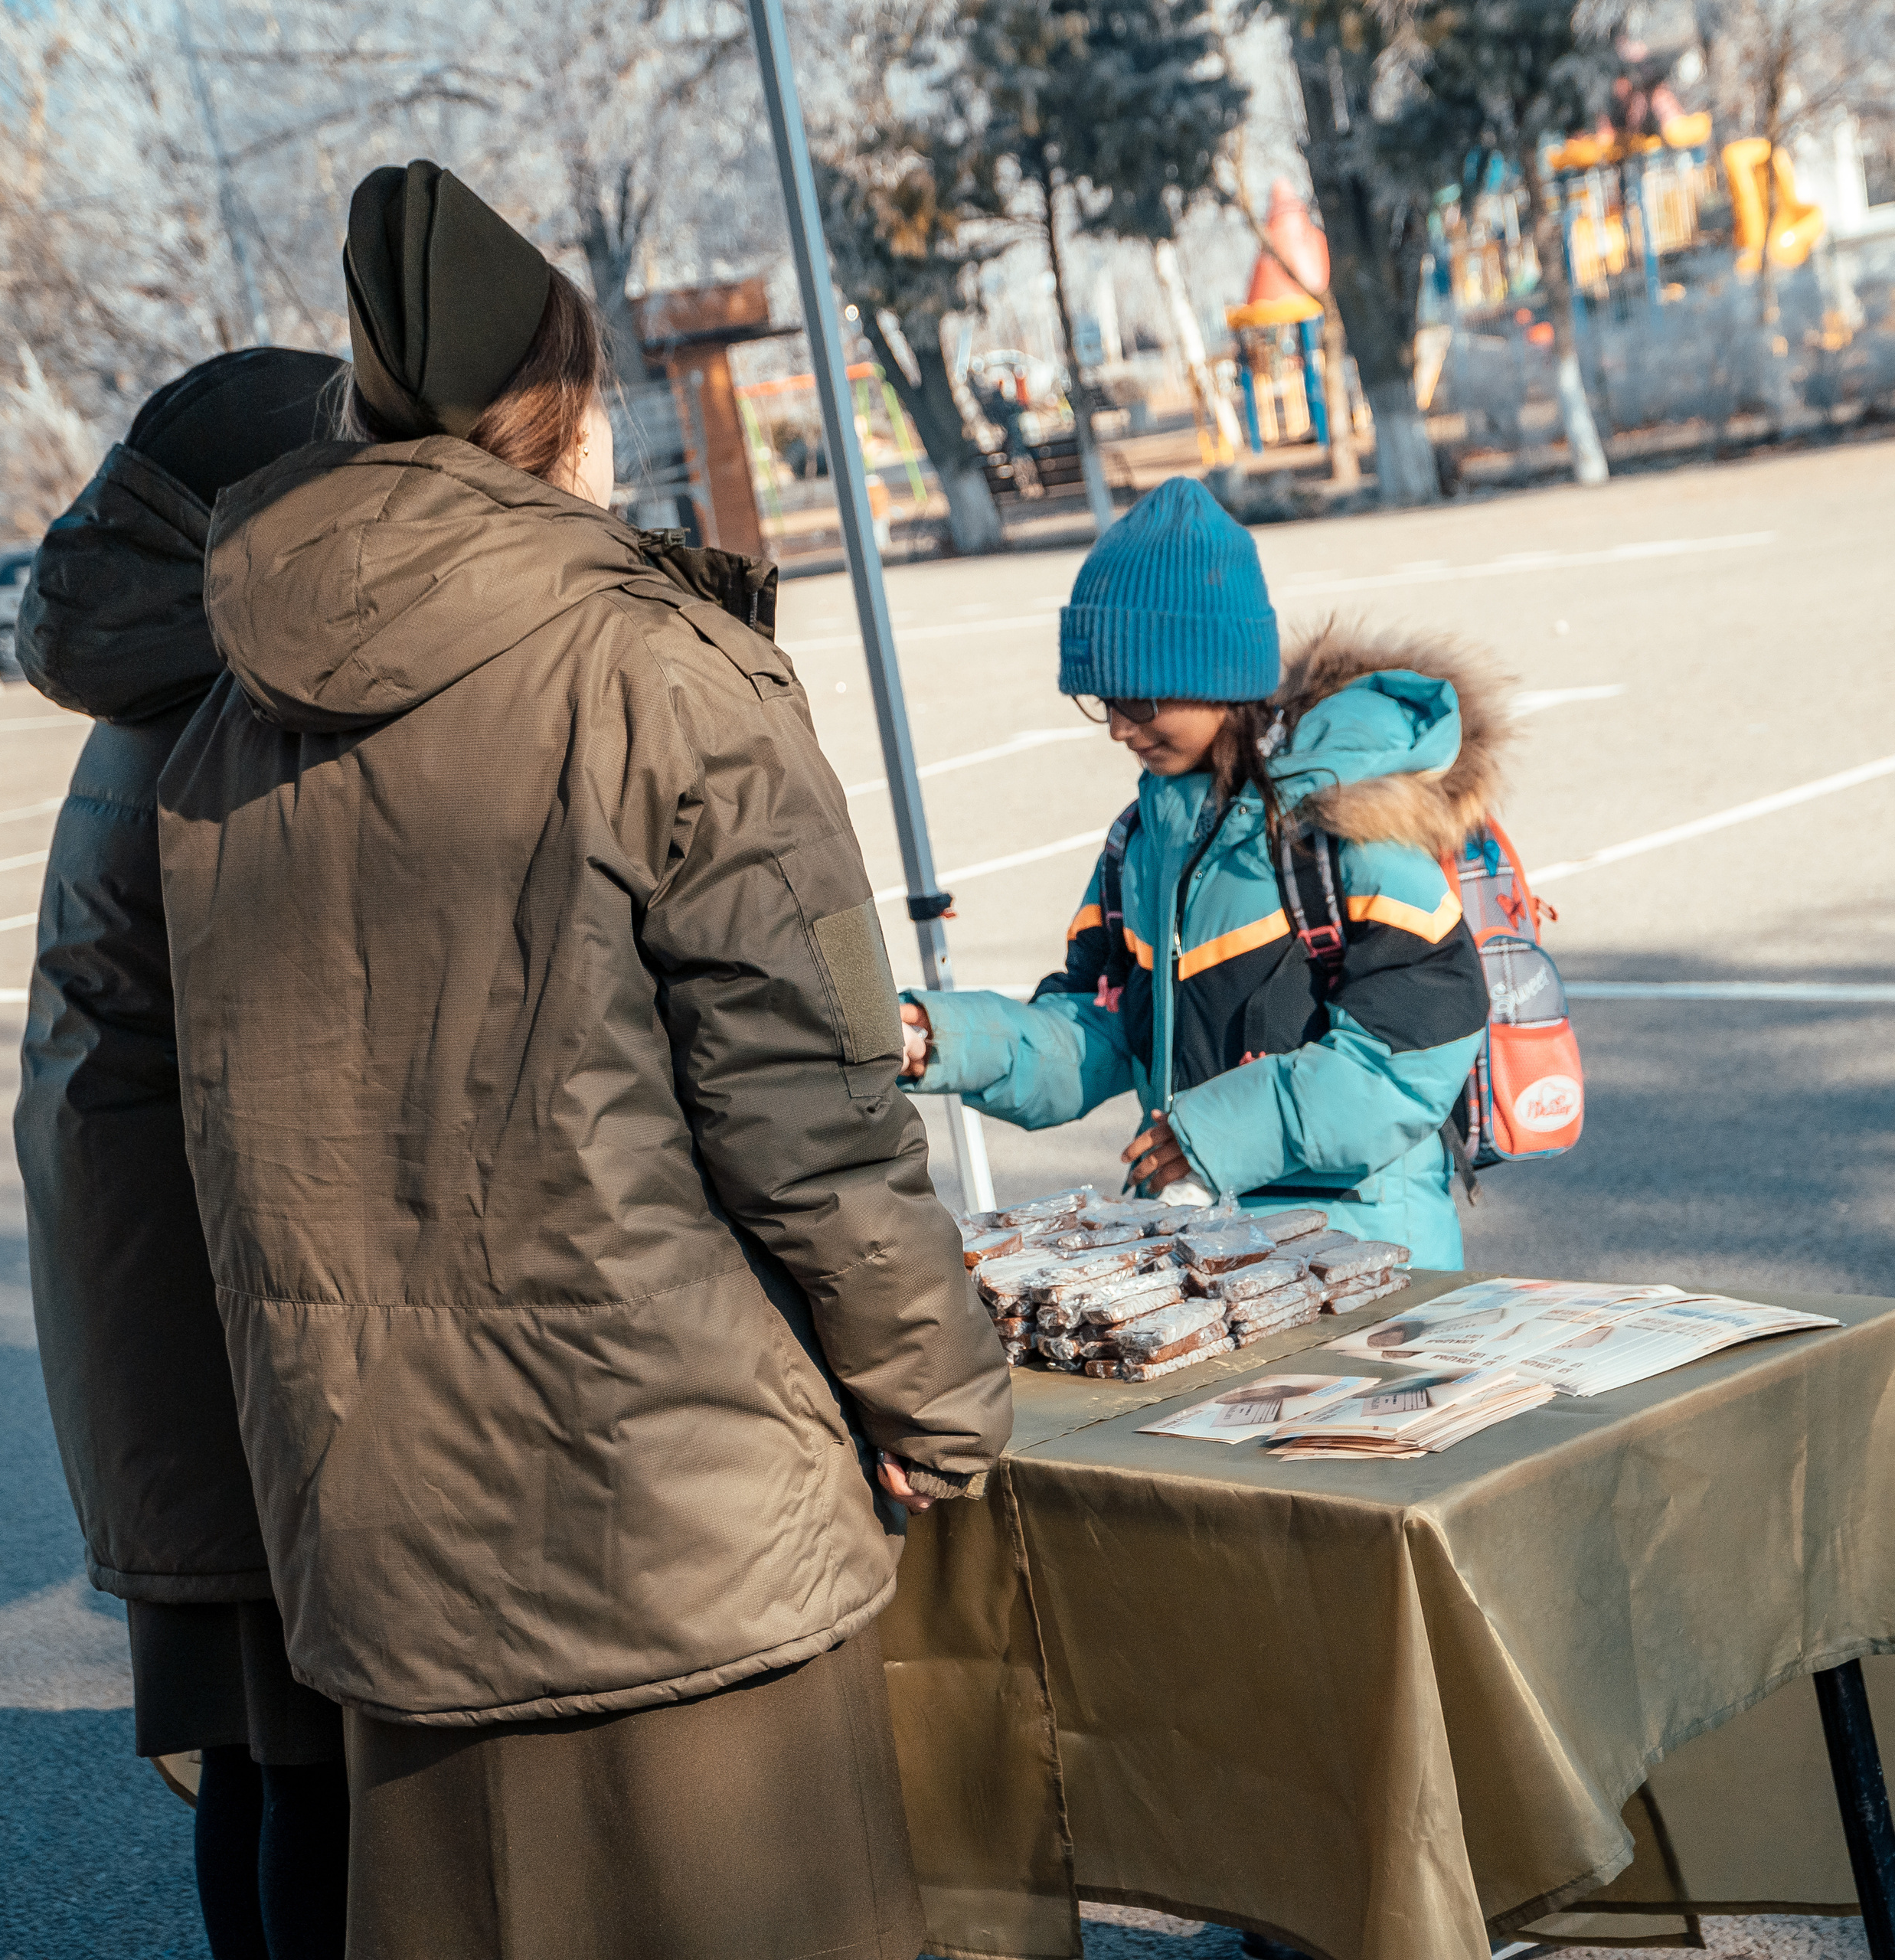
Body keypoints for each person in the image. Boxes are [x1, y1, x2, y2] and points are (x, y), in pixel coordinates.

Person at [155, 159, 1011, 1960]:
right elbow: (816, 1114)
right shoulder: (660, 671)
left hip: (386, 1528)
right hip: (669, 1527)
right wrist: (940, 1392)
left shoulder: (234, 716)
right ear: (561, 406)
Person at [14, 348, 352, 1960]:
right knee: (313, 1769)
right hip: (219, 1329)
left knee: (256, 1753)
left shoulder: (157, 670)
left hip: (151, 1310)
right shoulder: (230, 705)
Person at [898, 476, 1498, 1268]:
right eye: (1099, 700)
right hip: (1209, 1252)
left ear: (1218, 676)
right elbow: (1101, 1025)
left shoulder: (1352, 820)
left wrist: (1211, 1136)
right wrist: (938, 1039)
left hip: (1370, 1255)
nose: (1117, 728)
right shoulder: (1141, 840)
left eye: (1138, 699)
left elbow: (1416, 1052)